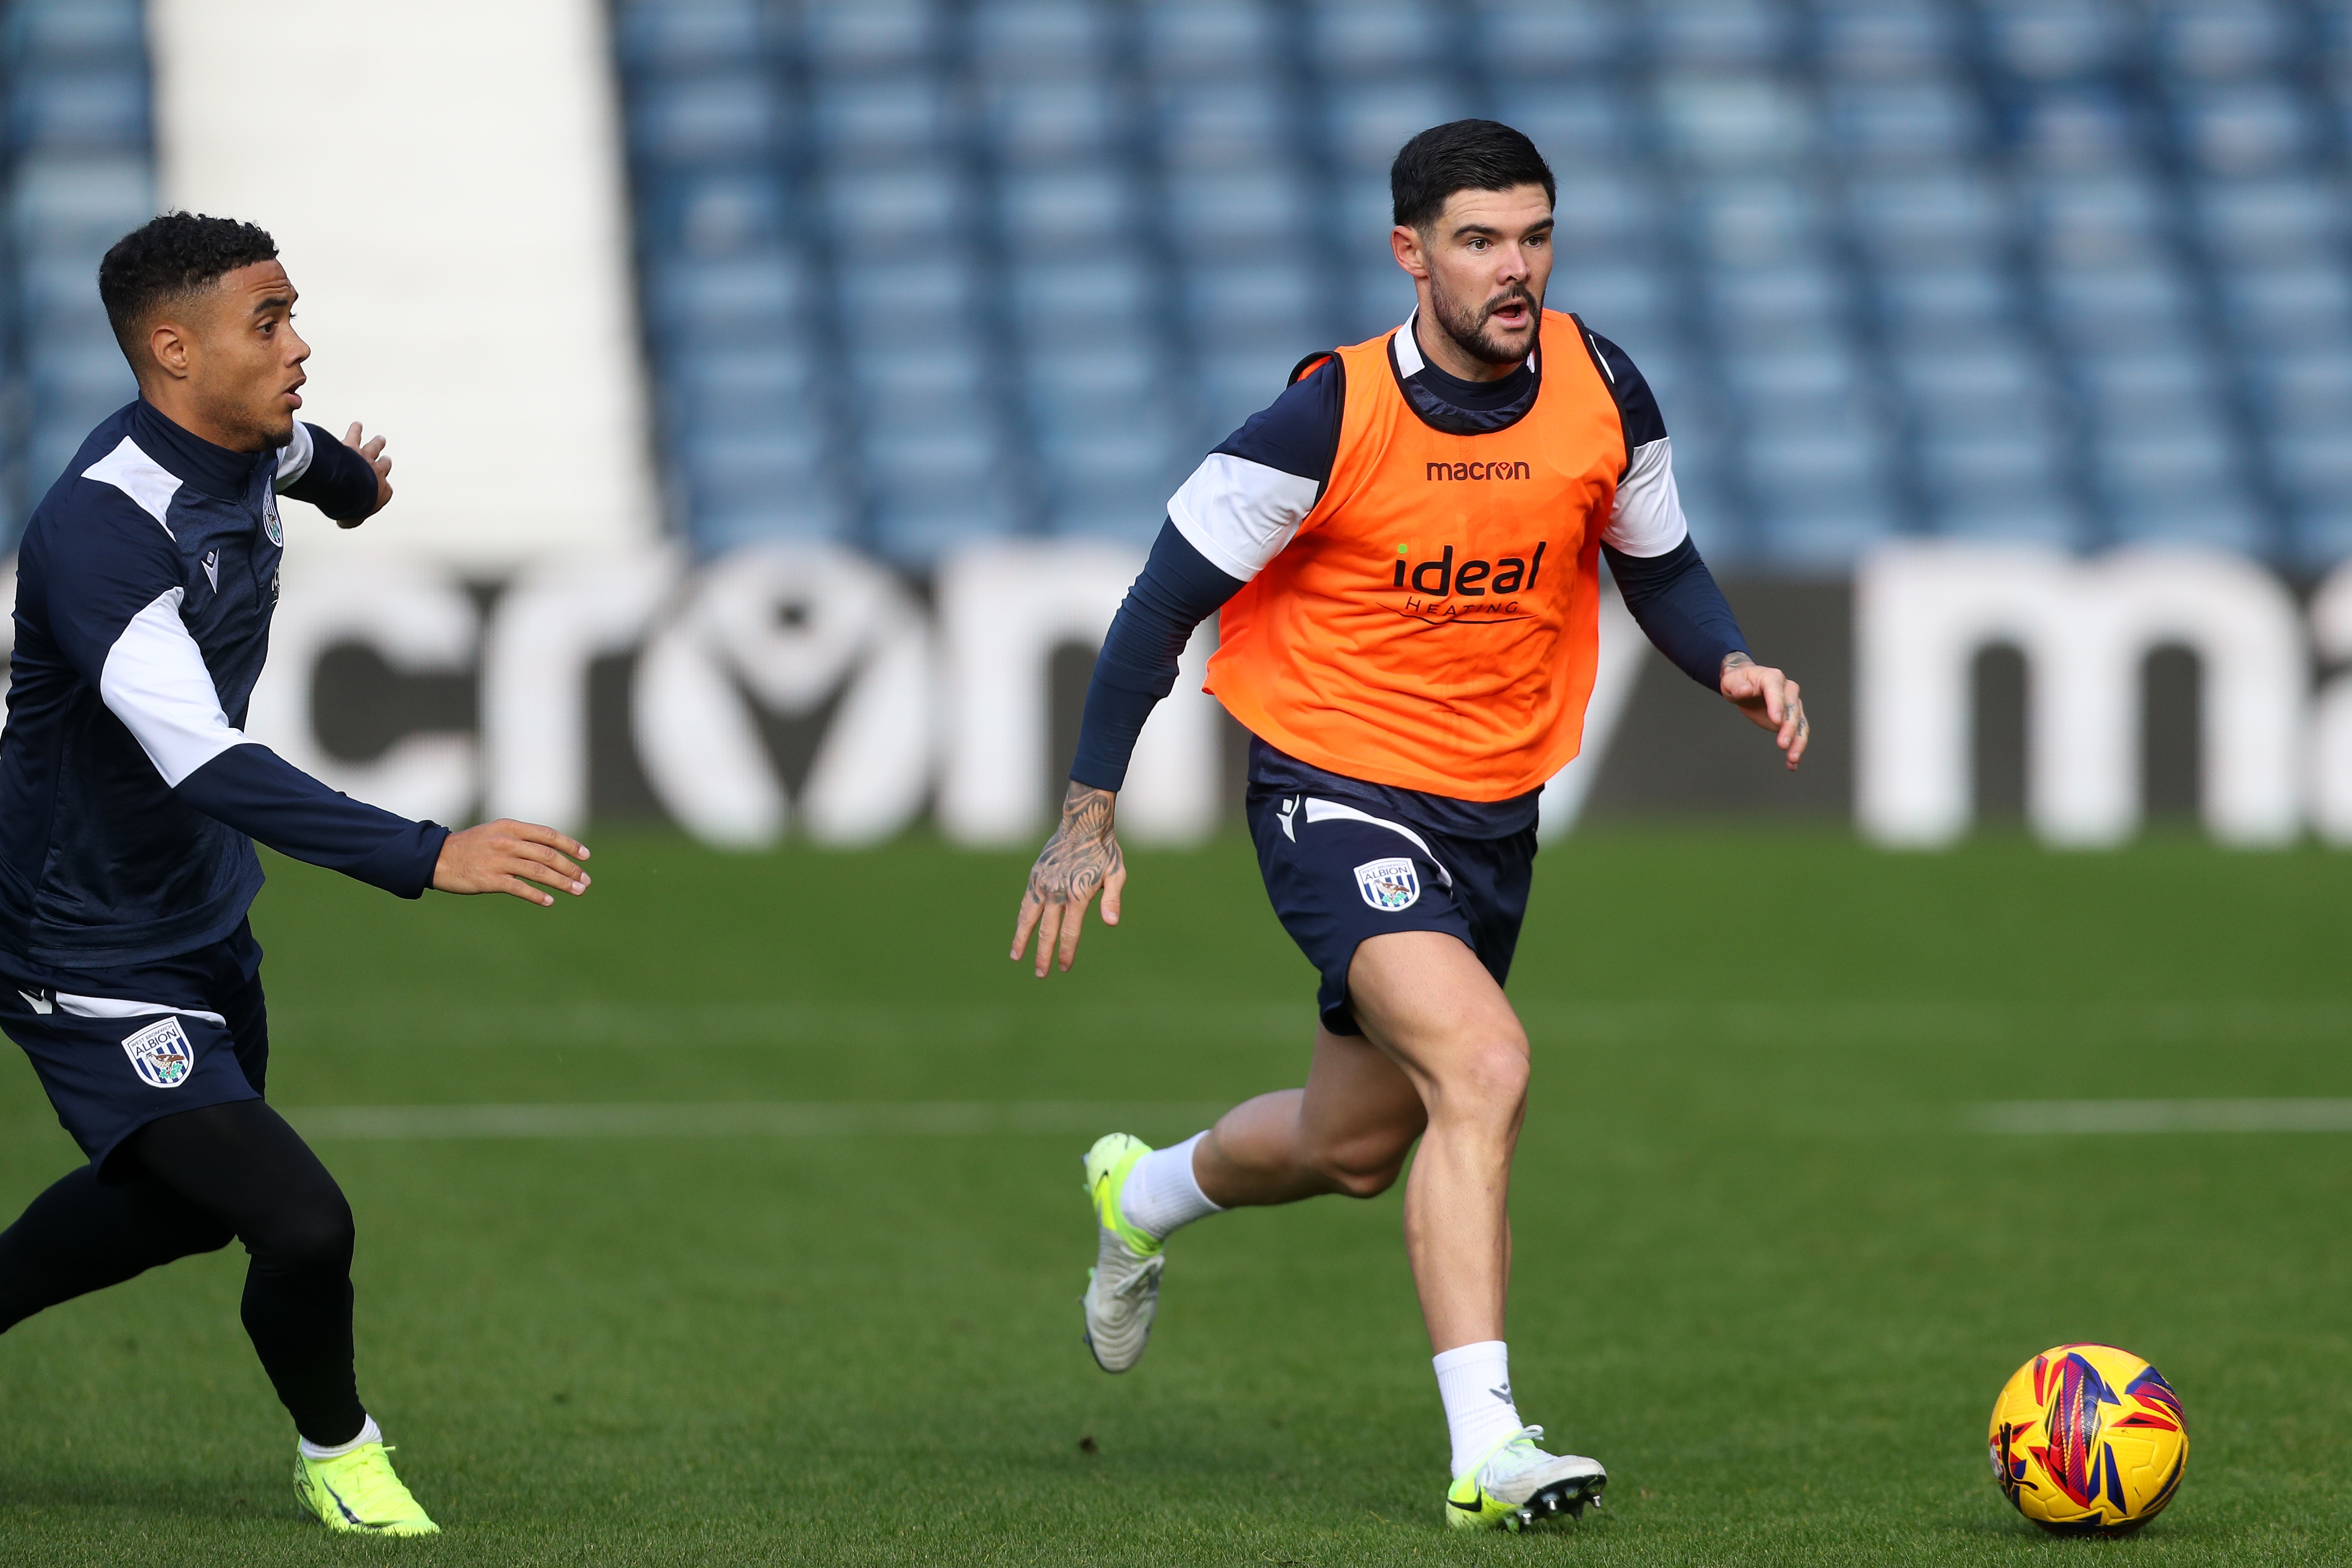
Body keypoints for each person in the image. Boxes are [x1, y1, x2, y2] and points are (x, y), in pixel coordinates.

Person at [1010, 122, 1809, 1532]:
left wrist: (1728, 659)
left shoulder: (1601, 379)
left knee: (1352, 1144)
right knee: (1484, 1065)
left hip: (1492, 813)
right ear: (1411, 253)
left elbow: (1661, 565)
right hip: (1330, 790)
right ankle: (1488, 1451)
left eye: (1536, 236)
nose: (1517, 270)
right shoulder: (1322, 417)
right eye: (1481, 241)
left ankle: (1144, 1194)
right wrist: (1086, 816)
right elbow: (1153, 609)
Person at [0, 213, 595, 1537]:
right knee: (299, 1221)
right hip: (82, 943)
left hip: (200, 915)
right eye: (267, 322)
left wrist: (355, 487)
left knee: (176, 1210)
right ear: (172, 350)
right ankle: (344, 1452)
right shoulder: (101, 532)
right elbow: (202, 762)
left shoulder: (254, 442)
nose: (299, 343)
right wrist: (424, 852)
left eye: (292, 313)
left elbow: (317, 468)